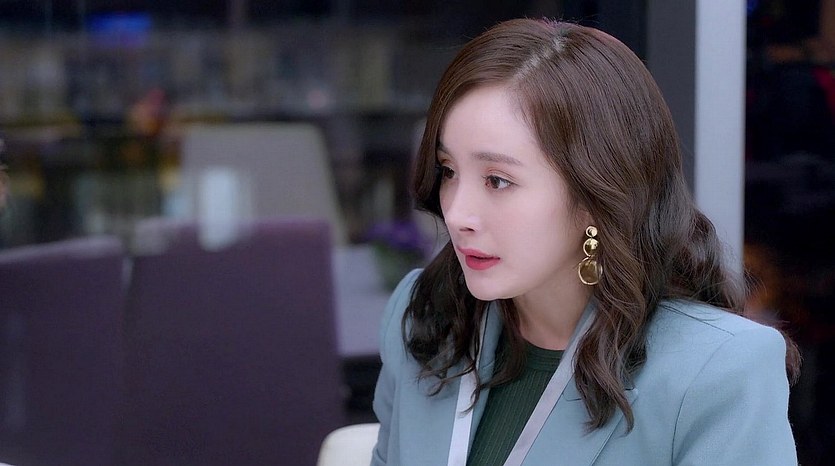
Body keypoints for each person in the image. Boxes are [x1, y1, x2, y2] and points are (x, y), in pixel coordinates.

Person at [371, 18, 800, 465]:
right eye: (448, 171)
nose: (458, 214)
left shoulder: (718, 370)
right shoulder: (424, 315)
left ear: (596, 194)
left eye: (497, 180)